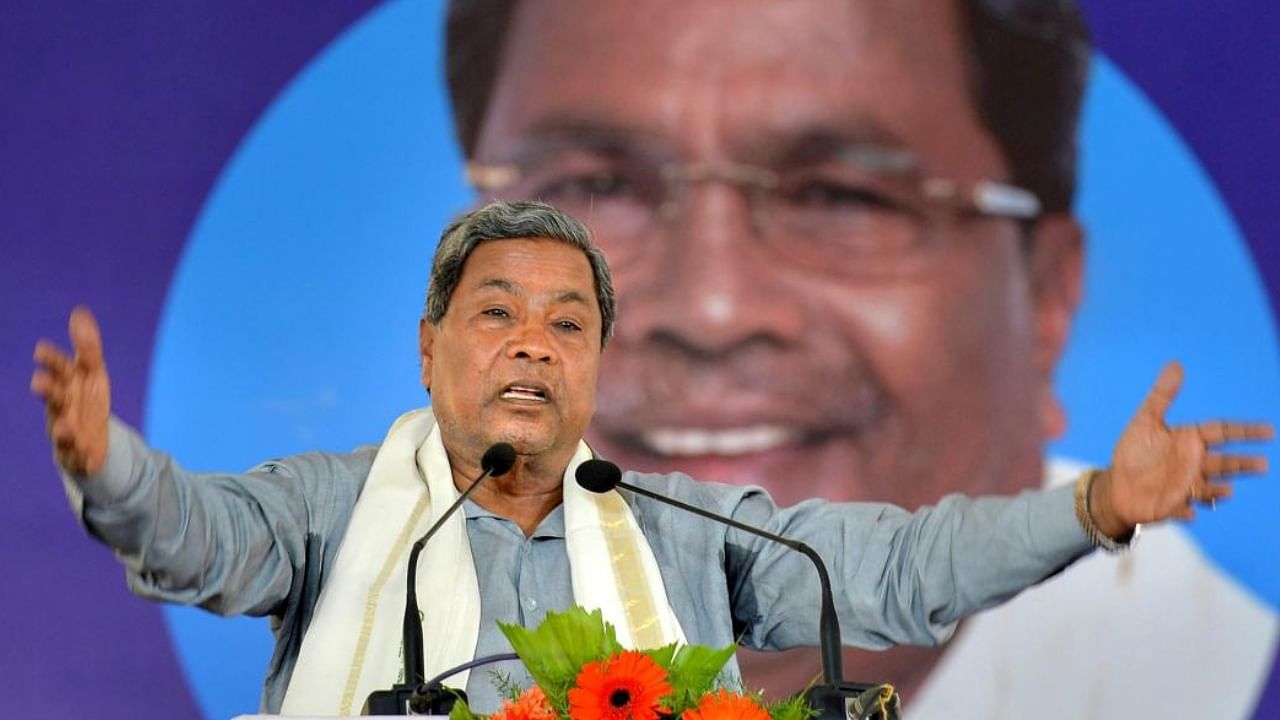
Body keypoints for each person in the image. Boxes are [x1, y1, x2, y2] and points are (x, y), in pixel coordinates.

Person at [33, 201, 1271, 715]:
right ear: (428, 351)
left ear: (598, 368)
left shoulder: (685, 533)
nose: (531, 343)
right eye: (496, 313)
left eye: (568, 323)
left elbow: (899, 567)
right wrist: (111, 471)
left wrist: (1097, 504)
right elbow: (197, 537)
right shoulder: (337, 511)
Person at [444, 0, 1280, 714]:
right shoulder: (389, 599)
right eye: (603, 187)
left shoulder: (1215, 684)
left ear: (1048, 304)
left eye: (839, 196)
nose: (713, 309)